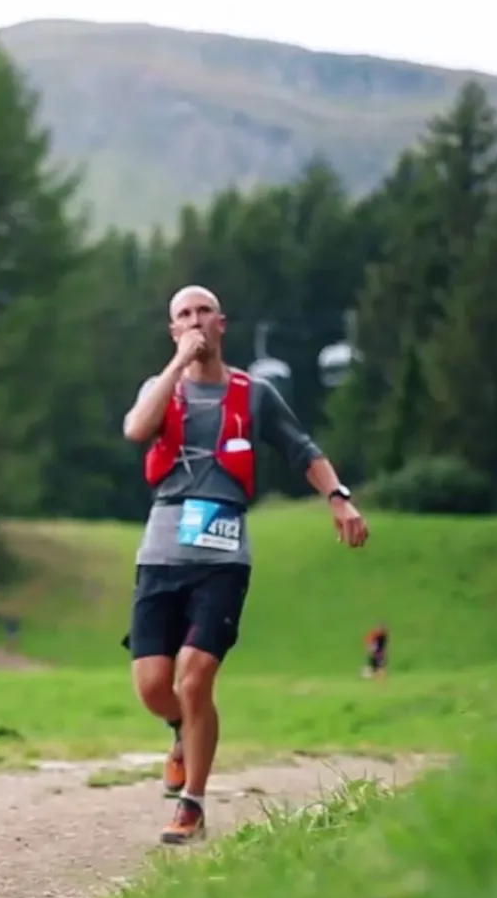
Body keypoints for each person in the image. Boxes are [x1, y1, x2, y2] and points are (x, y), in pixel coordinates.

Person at [122, 284, 369, 845]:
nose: (195, 320)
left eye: (203, 312)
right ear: (172, 329)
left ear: (222, 323)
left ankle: (192, 803)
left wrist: (339, 497)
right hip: (161, 550)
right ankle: (182, 731)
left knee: (196, 675)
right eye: (183, 315)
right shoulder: (160, 390)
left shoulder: (253, 393)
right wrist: (179, 364)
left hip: (224, 555)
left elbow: (302, 448)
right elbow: (138, 429)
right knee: (154, 686)